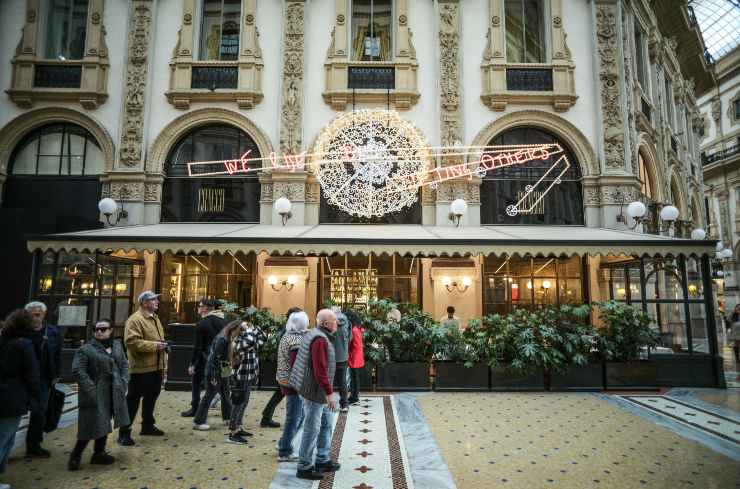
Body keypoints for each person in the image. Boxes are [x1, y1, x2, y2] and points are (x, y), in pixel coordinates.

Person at [68, 320, 130, 471]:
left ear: (111, 330)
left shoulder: (116, 345)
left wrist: (123, 381)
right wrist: (91, 389)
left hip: (113, 390)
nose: (99, 332)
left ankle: (99, 452)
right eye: (96, 329)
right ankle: (75, 456)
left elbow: (123, 364)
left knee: (105, 421)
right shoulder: (86, 349)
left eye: (103, 329)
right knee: (90, 423)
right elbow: (78, 371)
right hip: (95, 392)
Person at [289, 309, 341, 481]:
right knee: (312, 428)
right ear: (326, 324)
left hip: (315, 388)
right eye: (334, 320)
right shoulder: (319, 339)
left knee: (326, 422)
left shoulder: (317, 334)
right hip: (313, 390)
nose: (337, 323)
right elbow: (320, 371)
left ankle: (322, 459)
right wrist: (330, 393)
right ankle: (304, 466)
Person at [118, 291, 168, 446]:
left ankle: (147, 426)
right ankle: (124, 433)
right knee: (133, 399)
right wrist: (156, 346)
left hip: (156, 366)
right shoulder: (135, 320)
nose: (157, 302)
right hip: (141, 368)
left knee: (151, 397)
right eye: (154, 300)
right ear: (145, 303)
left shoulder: (155, 318)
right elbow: (132, 342)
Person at [0, 310, 41, 485]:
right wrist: (35, 395)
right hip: (12, 396)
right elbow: (31, 373)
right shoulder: (24, 344)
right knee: (5, 438)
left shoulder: (3, 339)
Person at [24, 301, 61, 458]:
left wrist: (56, 375)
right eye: (32, 314)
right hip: (22, 378)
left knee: (39, 412)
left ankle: (33, 444)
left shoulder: (52, 331)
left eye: (38, 314)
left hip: (43, 378)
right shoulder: (20, 331)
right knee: (12, 413)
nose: (35, 317)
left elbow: (57, 354)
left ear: (44, 315)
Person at [259, 307, 303, 429]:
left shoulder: (287, 329)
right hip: (288, 369)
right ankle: (294, 422)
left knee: (279, 394)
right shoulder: (290, 331)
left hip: (283, 368)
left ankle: (266, 417)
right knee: (291, 396)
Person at [182, 298, 225, 418]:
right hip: (220, 358)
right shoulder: (223, 321)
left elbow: (198, 347)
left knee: (196, 382)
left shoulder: (202, 323)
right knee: (222, 385)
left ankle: (195, 408)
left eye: (200, 306)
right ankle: (227, 412)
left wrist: (192, 363)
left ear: (205, 308)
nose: (198, 308)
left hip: (204, 358)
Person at [276, 311, 309, 462]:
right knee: (294, 417)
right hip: (293, 383)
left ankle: (284, 443)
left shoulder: (288, 335)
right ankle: (284, 450)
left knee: (298, 415)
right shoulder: (296, 341)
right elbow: (298, 365)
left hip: (285, 379)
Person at [227, 320, 266, 444]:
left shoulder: (248, 338)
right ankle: (233, 432)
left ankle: (238, 427)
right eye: (243, 328)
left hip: (249, 375)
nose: (246, 329)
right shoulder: (237, 342)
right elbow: (250, 341)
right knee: (238, 404)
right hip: (240, 377)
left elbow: (263, 339)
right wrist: (250, 329)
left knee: (244, 402)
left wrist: (255, 326)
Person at [193, 321, 236, 431]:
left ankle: (228, 417)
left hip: (223, 369)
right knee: (209, 394)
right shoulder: (223, 339)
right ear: (234, 329)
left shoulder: (227, 338)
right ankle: (199, 421)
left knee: (226, 392)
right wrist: (212, 376)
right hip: (216, 370)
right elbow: (214, 358)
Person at [331, 307, 351, 413]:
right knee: (342, 381)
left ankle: (329, 404)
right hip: (343, 356)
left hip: (331, 356)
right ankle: (344, 405)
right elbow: (350, 338)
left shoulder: (329, 322)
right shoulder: (347, 322)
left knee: (328, 380)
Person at [345, 310, 365, 405]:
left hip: (354, 357)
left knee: (354, 377)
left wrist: (350, 354)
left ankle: (354, 396)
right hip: (357, 356)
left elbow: (356, 345)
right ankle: (354, 395)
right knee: (355, 377)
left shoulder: (354, 330)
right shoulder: (357, 328)